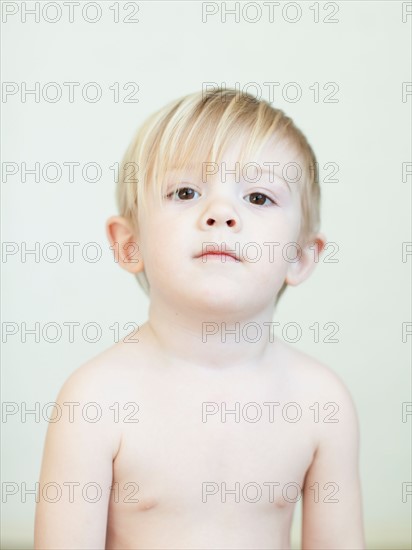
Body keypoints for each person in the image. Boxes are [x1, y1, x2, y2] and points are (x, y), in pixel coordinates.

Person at [34, 87, 365, 549]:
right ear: (130, 244)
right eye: (186, 191)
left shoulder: (321, 402)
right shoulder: (95, 399)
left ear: (300, 256)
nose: (222, 213)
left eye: (258, 196)